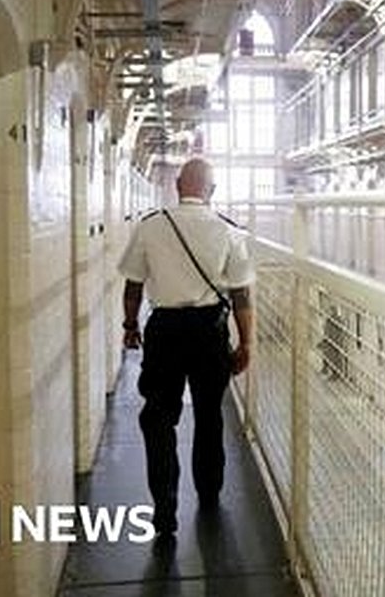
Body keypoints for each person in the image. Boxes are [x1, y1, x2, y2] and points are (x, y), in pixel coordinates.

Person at [117, 158, 255, 535]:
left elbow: (133, 285)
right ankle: (209, 494)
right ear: (212, 190)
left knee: (158, 417)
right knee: (210, 414)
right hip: (209, 332)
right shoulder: (229, 231)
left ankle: (165, 506)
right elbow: (241, 296)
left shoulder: (150, 226)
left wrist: (130, 325)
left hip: (164, 331)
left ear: (178, 185)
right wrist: (246, 343)